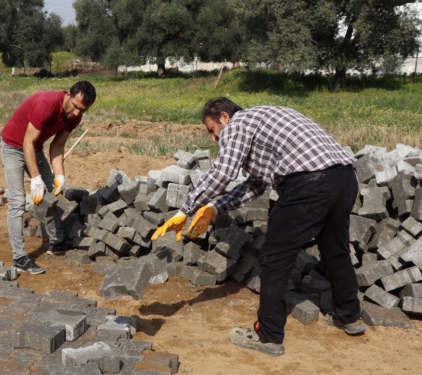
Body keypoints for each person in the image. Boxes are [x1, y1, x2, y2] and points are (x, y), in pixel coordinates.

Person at [152, 97, 365, 356]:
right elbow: (256, 185)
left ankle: (268, 335)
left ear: (224, 117)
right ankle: (350, 317)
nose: (214, 139)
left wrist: (185, 210)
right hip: (343, 178)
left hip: (307, 183)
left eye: (212, 130)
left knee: (274, 257)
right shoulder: (264, 120)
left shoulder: (238, 125)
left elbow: (223, 172)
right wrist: (214, 208)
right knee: (336, 250)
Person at [0, 81, 96, 274]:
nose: (77, 113)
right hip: (13, 146)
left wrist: (60, 175)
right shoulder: (46, 104)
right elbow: (27, 142)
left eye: (83, 110)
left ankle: (55, 242)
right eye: (76, 106)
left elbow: (57, 146)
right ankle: (19, 257)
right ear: (67, 95)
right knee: (18, 201)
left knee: (51, 194)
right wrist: (36, 179)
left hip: (34, 148)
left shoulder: (74, 117)